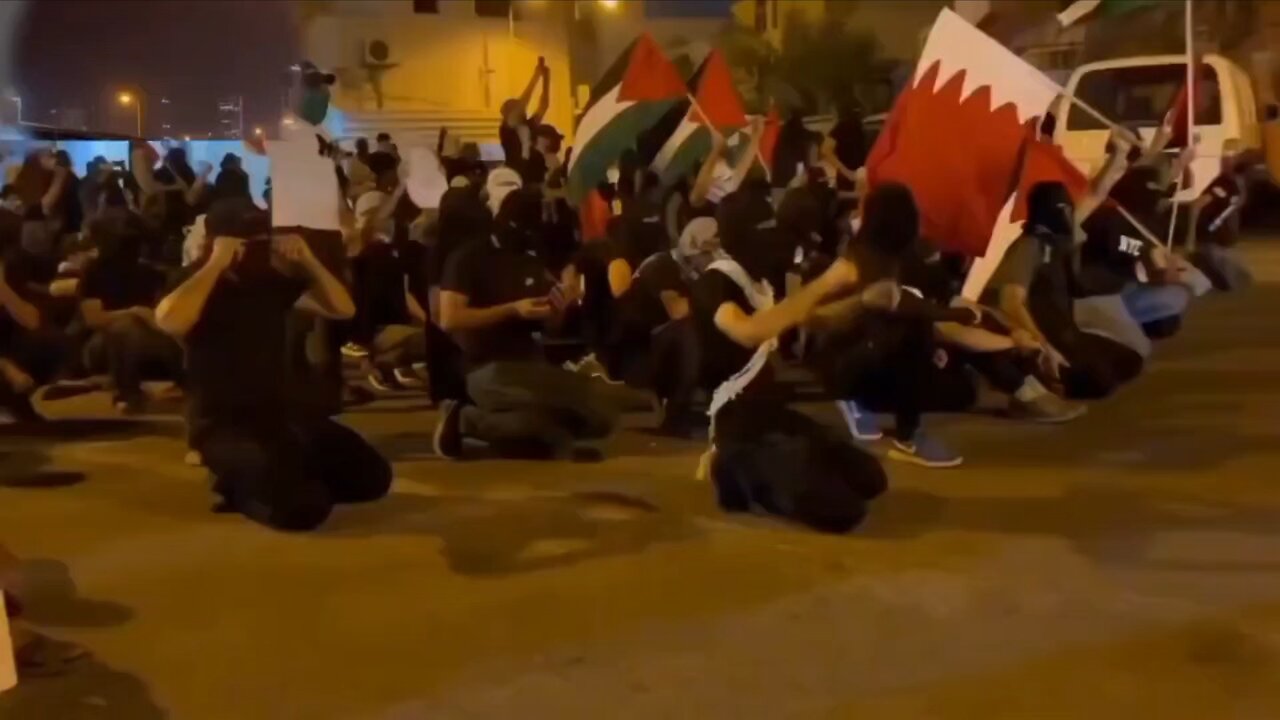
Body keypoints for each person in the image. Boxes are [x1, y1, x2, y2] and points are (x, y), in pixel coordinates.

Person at [155, 198, 390, 532]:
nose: (256, 251)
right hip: (221, 425)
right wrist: (215, 264)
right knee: (303, 510)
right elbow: (171, 321)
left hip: (279, 413)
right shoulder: (194, 282)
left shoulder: (268, 282)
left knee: (371, 478)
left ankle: (278, 478)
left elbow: (342, 309)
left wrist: (308, 261)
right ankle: (236, 486)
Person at [691, 183, 888, 532]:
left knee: (870, 478)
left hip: (768, 413)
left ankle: (764, 470)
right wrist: (826, 283)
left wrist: (863, 301)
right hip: (734, 424)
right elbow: (748, 330)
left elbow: (809, 318)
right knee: (843, 511)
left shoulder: (762, 280)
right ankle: (730, 468)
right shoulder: (714, 283)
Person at [433, 185, 618, 461]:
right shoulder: (470, 257)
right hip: (485, 366)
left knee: (601, 416)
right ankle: (465, 420)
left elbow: (551, 325)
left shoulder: (530, 258)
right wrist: (512, 310)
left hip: (530, 364)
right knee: (559, 416)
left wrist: (560, 304)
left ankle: (496, 428)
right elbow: (450, 318)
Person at [984, 181, 1143, 401]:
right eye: (1066, 208)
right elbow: (1010, 301)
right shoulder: (1029, 246)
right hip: (1043, 338)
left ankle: (1057, 376)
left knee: (1130, 362)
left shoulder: (1059, 240)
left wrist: (1118, 155)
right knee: (1099, 382)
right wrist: (1043, 346)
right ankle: (1040, 380)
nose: (1071, 213)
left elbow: (1096, 194)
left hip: (1068, 333)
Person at [78, 212, 181, 414]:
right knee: (124, 328)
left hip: (147, 333)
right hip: (101, 342)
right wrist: (133, 312)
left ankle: (189, 384)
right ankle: (128, 394)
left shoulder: (151, 273)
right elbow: (94, 319)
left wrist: (152, 318)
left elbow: (162, 314)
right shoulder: (94, 270)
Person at [499, 57, 550, 182]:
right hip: (514, 173)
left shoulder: (528, 125)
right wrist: (536, 76)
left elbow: (543, 105)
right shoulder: (506, 130)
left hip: (532, 172)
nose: (520, 108)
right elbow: (522, 106)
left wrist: (546, 80)